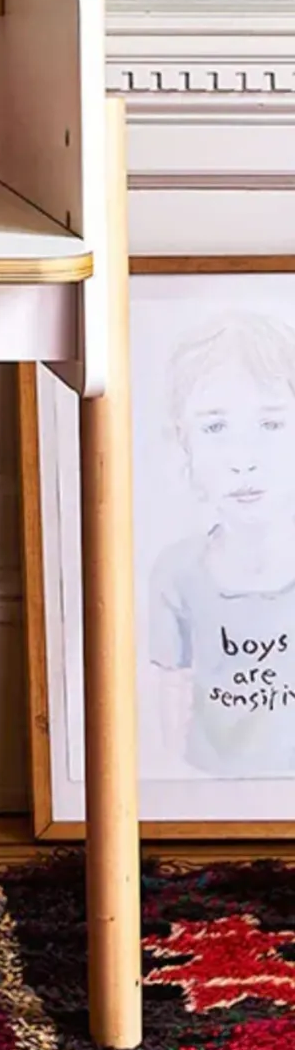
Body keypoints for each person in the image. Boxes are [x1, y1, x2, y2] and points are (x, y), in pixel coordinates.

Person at [150, 312, 295, 776]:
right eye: (215, 428)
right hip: (207, 789)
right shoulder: (177, 573)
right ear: (184, 443)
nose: (243, 460)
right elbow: (169, 715)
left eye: (271, 425)